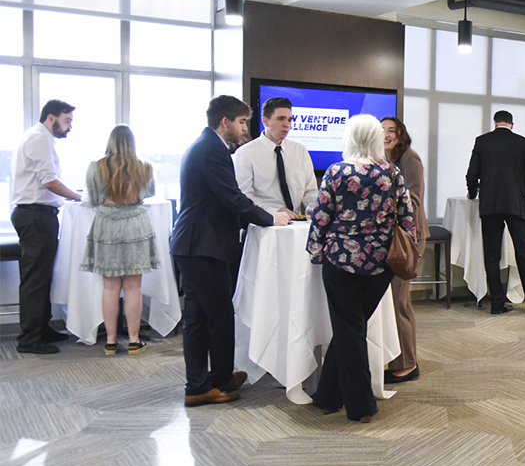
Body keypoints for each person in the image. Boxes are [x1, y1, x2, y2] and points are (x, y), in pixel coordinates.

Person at [172, 95, 294, 408]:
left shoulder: (207, 146)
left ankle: (209, 380)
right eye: (241, 122)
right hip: (202, 245)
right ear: (224, 122)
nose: (245, 128)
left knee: (200, 317)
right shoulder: (212, 149)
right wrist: (270, 218)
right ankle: (208, 382)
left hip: (197, 244)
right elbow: (232, 198)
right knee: (218, 317)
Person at [307, 115, 418, 422]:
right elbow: (407, 217)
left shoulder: (336, 172)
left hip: (340, 261)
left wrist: (315, 252)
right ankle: (327, 397)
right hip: (381, 265)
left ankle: (361, 406)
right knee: (351, 329)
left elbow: (320, 216)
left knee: (349, 330)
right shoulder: (392, 172)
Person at [80, 125, 161, 356]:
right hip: (135, 223)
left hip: (107, 223)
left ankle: (111, 341)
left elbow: (92, 198)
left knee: (110, 285)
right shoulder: (145, 167)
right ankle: (134, 340)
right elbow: (150, 192)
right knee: (133, 286)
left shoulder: (96, 167)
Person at [11, 100, 82, 355]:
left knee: (43, 277)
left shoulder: (42, 139)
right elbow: (49, 182)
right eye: (67, 120)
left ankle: (42, 329)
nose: (70, 126)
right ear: (51, 118)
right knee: (35, 280)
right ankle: (29, 339)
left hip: (39, 214)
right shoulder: (38, 139)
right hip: (35, 215)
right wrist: (77, 196)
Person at [465, 110, 525, 315]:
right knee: (524, 252)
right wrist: (517, 187)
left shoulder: (482, 141)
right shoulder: (523, 143)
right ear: (512, 124)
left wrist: (473, 191)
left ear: (495, 123)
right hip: (515, 204)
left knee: (491, 254)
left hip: (490, 204)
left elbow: (472, 173)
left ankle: (497, 303)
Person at [381, 116, 428, 384]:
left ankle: (408, 363)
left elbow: (416, 198)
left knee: (400, 301)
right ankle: (393, 357)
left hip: (408, 238)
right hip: (386, 239)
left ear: (401, 134)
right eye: (382, 131)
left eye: (392, 130)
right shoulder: (378, 158)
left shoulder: (409, 158)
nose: (387, 135)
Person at [233, 97, 319, 215]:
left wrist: (315, 210)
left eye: (289, 120)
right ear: (265, 121)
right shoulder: (246, 153)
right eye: (281, 119)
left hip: (297, 224)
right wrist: (274, 212)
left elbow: (310, 191)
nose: (286, 125)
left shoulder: (300, 151)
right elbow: (244, 195)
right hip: (263, 224)